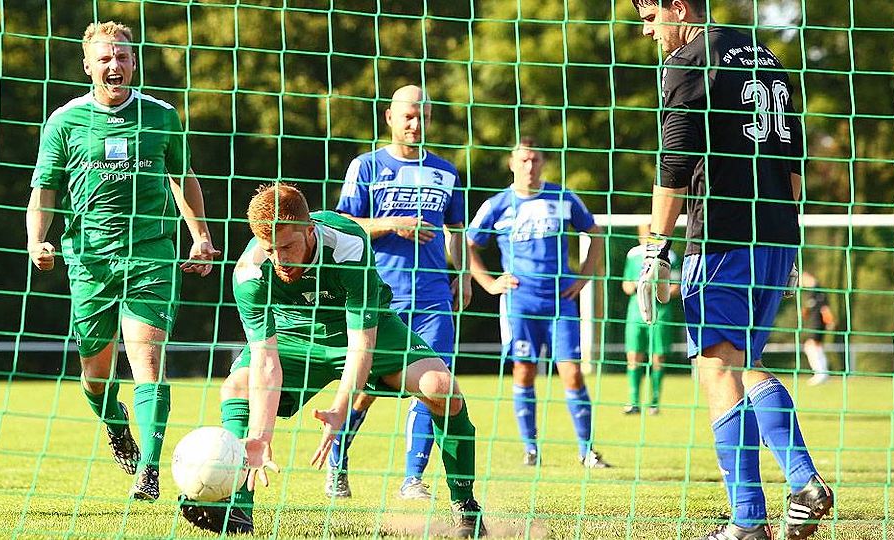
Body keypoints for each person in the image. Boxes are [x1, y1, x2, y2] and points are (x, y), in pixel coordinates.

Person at [630, 1, 834, 538]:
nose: (646, 31)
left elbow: (674, 164)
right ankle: (804, 483)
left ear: (678, 8)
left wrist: (656, 249)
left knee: (716, 368)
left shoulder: (689, 61)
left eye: (650, 17)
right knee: (745, 361)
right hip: (776, 233)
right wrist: (789, 241)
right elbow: (793, 161)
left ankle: (748, 521)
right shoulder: (766, 56)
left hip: (722, 235)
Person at [179, 184, 485, 537]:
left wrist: (341, 408)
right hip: (293, 331)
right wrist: (261, 436)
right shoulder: (250, 272)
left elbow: (362, 343)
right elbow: (265, 360)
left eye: (288, 247)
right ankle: (236, 508)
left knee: (442, 388)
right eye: (270, 249)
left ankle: (465, 505)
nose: (280, 259)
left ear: (310, 230)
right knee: (237, 386)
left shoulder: (348, 243)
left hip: (360, 328)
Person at [26, 21, 220, 501]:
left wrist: (200, 236)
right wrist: (37, 242)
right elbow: (44, 189)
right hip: (89, 260)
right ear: (88, 66)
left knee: (147, 361)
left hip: (150, 255)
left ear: (134, 62)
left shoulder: (161, 115)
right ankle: (115, 422)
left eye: (123, 57)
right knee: (95, 374)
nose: (115, 65)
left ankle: (149, 470)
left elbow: (183, 176)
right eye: (105, 58)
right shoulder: (65, 121)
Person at [329, 85, 472, 500]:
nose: (415, 124)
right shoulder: (366, 166)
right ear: (390, 117)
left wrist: (462, 274)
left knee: (435, 385)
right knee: (367, 389)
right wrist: (392, 224)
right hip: (380, 297)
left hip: (433, 298)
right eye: (408, 116)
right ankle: (337, 462)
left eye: (423, 116)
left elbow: (456, 230)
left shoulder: (446, 171)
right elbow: (343, 225)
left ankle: (413, 478)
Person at [465, 138, 610, 469]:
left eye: (535, 160)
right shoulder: (497, 204)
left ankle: (587, 450)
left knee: (572, 373)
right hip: (520, 302)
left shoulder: (562, 197)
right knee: (524, 370)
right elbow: (467, 244)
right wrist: (488, 283)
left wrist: (583, 278)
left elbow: (596, 233)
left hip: (561, 302)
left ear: (543, 162)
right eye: (524, 160)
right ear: (512, 164)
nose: (530, 166)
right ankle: (530, 449)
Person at [621, 223, 681, 415]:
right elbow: (626, 285)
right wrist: (638, 287)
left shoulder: (670, 256)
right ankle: (633, 402)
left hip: (660, 313)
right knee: (633, 356)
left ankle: (654, 403)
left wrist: (657, 289)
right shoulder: (633, 255)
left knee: (658, 357)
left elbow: (676, 286)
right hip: (635, 312)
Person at [799, 272, 835, 386]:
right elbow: (808, 309)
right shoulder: (810, 293)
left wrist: (830, 321)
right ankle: (822, 373)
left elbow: (825, 309)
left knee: (812, 346)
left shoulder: (819, 292)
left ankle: (821, 374)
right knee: (812, 347)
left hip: (818, 324)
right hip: (812, 324)